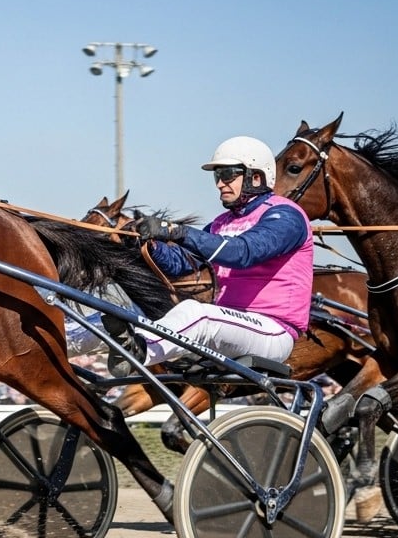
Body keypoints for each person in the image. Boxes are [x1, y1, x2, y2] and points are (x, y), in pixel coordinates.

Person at [106, 136, 313, 377]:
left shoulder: (286, 215)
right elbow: (182, 264)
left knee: (197, 312)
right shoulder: (221, 223)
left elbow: (243, 253)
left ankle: (139, 351)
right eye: (217, 176)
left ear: (256, 177)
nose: (220, 184)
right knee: (134, 311)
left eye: (228, 175)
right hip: (230, 325)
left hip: (273, 330)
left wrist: (176, 231)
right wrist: (149, 246)